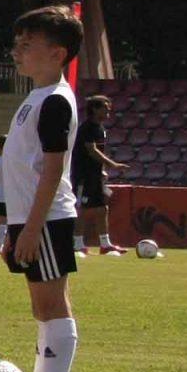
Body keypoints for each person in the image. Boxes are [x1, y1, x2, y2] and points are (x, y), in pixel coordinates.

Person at [0, 7, 84, 372]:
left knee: (52, 304)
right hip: (32, 220)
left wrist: (32, 228)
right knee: (42, 306)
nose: (17, 52)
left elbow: (52, 170)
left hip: (47, 219)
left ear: (57, 53)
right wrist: (16, 230)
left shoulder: (54, 102)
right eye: (18, 44)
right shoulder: (35, 98)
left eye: (27, 45)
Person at [73, 93, 124, 255]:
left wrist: (101, 169)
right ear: (94, 109)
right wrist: (112, 164)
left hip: (95, 175)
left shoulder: (100, 128)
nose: (108, 111)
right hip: (84, 176)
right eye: (105, 108)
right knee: (81, 208)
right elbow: (91, 149)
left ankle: (105, 244)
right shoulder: (87, 128)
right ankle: (77, 244)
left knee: (102, 209)